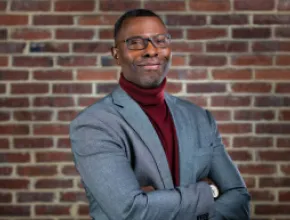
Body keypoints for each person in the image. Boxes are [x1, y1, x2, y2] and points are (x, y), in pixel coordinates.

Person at [70, 9, 251, 220]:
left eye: (160, 41)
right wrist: (208, 192)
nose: (151, 51)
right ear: (116, 54)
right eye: (136, 42)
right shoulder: (93, 124)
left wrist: (156, 202)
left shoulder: (199, 118)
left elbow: (239, 198)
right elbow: (131, 211)